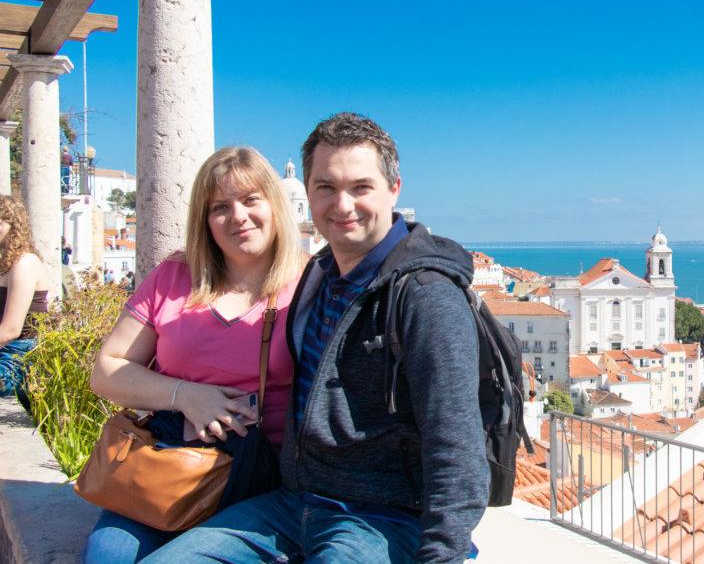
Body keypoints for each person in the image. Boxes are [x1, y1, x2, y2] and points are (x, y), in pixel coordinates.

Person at [147, 114, 489, 563]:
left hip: (382, 519)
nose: (342, 205)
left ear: (394, 190)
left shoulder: (425, 297)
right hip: (294, 505)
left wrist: (442, 555)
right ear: (307, 193)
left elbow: (456, 443)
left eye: (360, 187)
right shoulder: (318, 277)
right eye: (326, 187)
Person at [83, 147, 307, 563]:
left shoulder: (309, 284)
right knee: (108, 557)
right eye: (220, 207)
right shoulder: (174, 277)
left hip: (258, 478)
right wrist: (186, 396)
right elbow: (107, 370)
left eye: (250, 199)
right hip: (168, 468)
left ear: (275, 206)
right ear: (205, 222)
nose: (237, 216)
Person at [0, 196, 49, 404]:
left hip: (19, 357)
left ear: (14, 226)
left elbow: (11, 330)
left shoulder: (24, 263)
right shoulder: (7, 263)